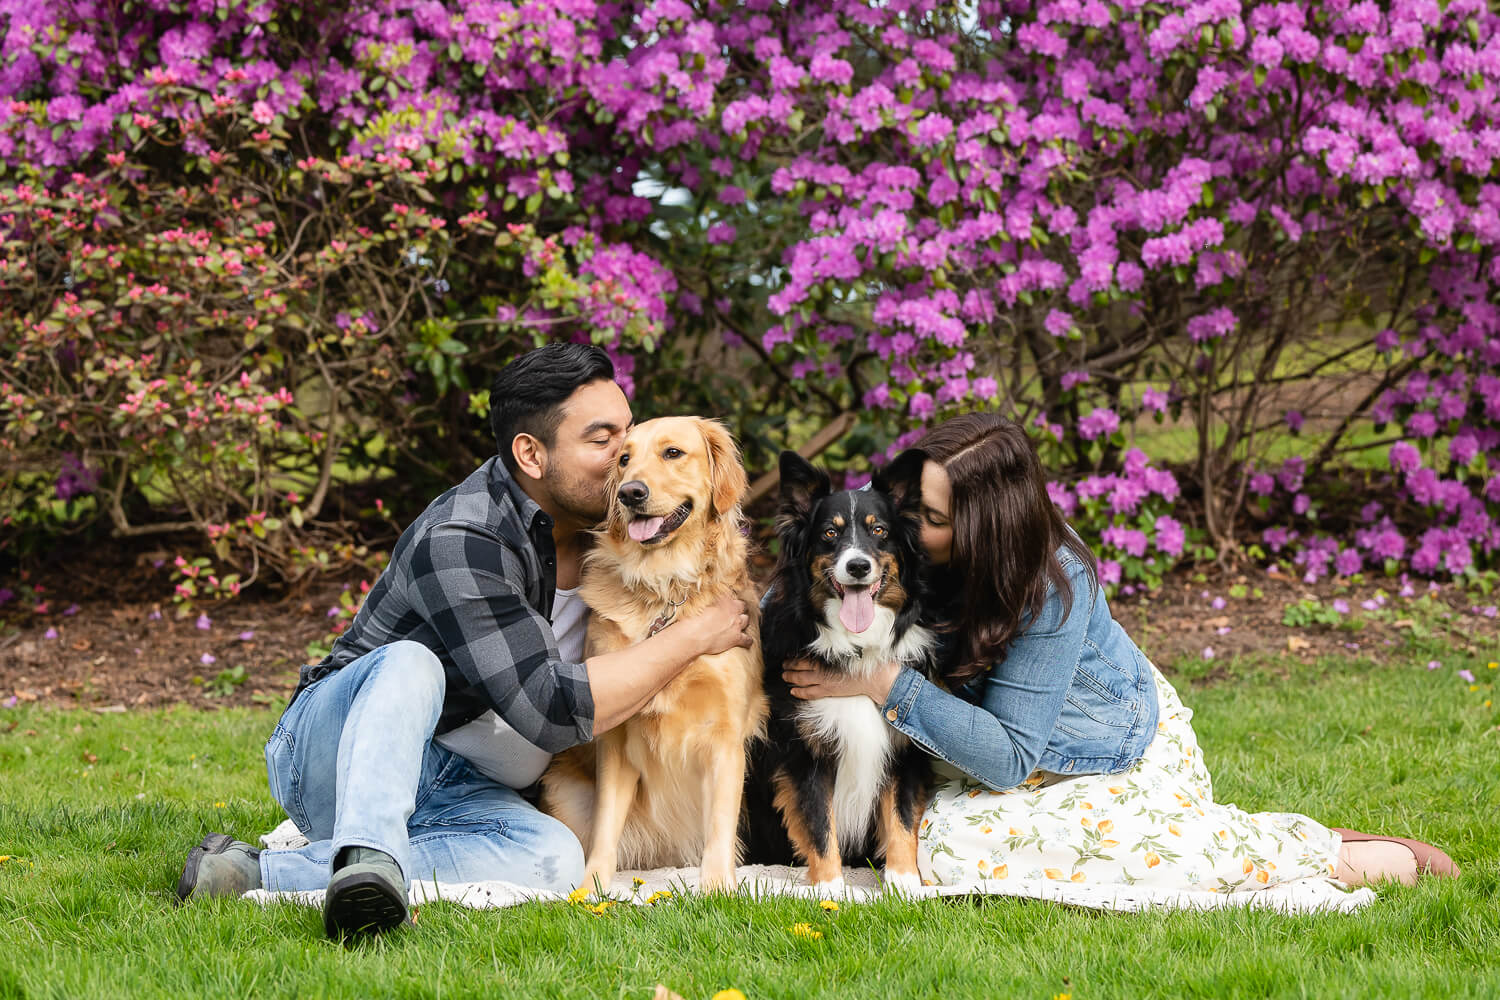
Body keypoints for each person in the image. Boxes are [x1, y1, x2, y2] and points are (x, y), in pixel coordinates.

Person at [174, 343, 752, 937]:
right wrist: (696, 636)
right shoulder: (462, 537)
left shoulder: (618, 539)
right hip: (336, 757)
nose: (628, 469)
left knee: (552, 859)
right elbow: (551, 711)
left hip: (466, 782)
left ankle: (263, 873)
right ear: (530, 453)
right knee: (409, 664)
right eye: (605, 444)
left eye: (628, 439)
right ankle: (367, 852)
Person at [782, 412, 1459, 892]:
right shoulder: (905, 554)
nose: (897, 530)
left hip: (1097, 747)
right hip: (973, 751)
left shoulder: (1053, 578)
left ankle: (1320, 853)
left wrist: (881, 684)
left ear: (985, 525)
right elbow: (805, 581)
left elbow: (1011, 754)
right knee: (928, 841)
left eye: (926, 519)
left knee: (968, 852)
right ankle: (1236, 833)